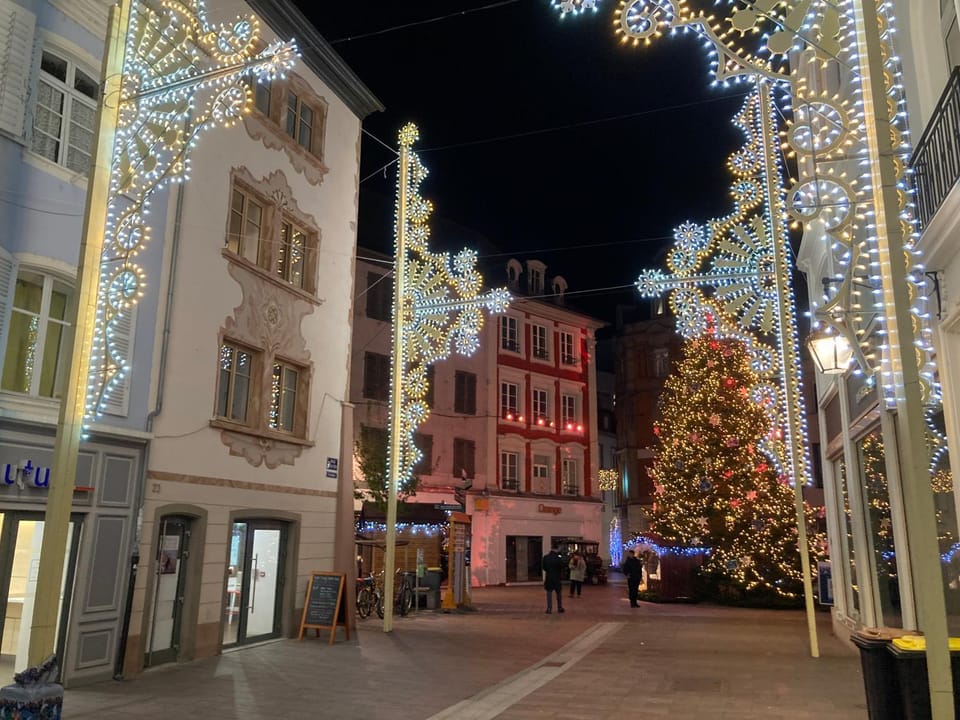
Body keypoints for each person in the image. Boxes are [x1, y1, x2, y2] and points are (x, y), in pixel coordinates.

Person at [542, 545, 565, 614]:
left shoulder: (545, 557)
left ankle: (549, 608)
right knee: (558, 593)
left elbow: (544, 567)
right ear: (557, 549)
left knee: (549, 593)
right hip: (557, 577)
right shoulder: (559, 558)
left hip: (549, 577)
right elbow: (562, 567)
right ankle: (559, 607)